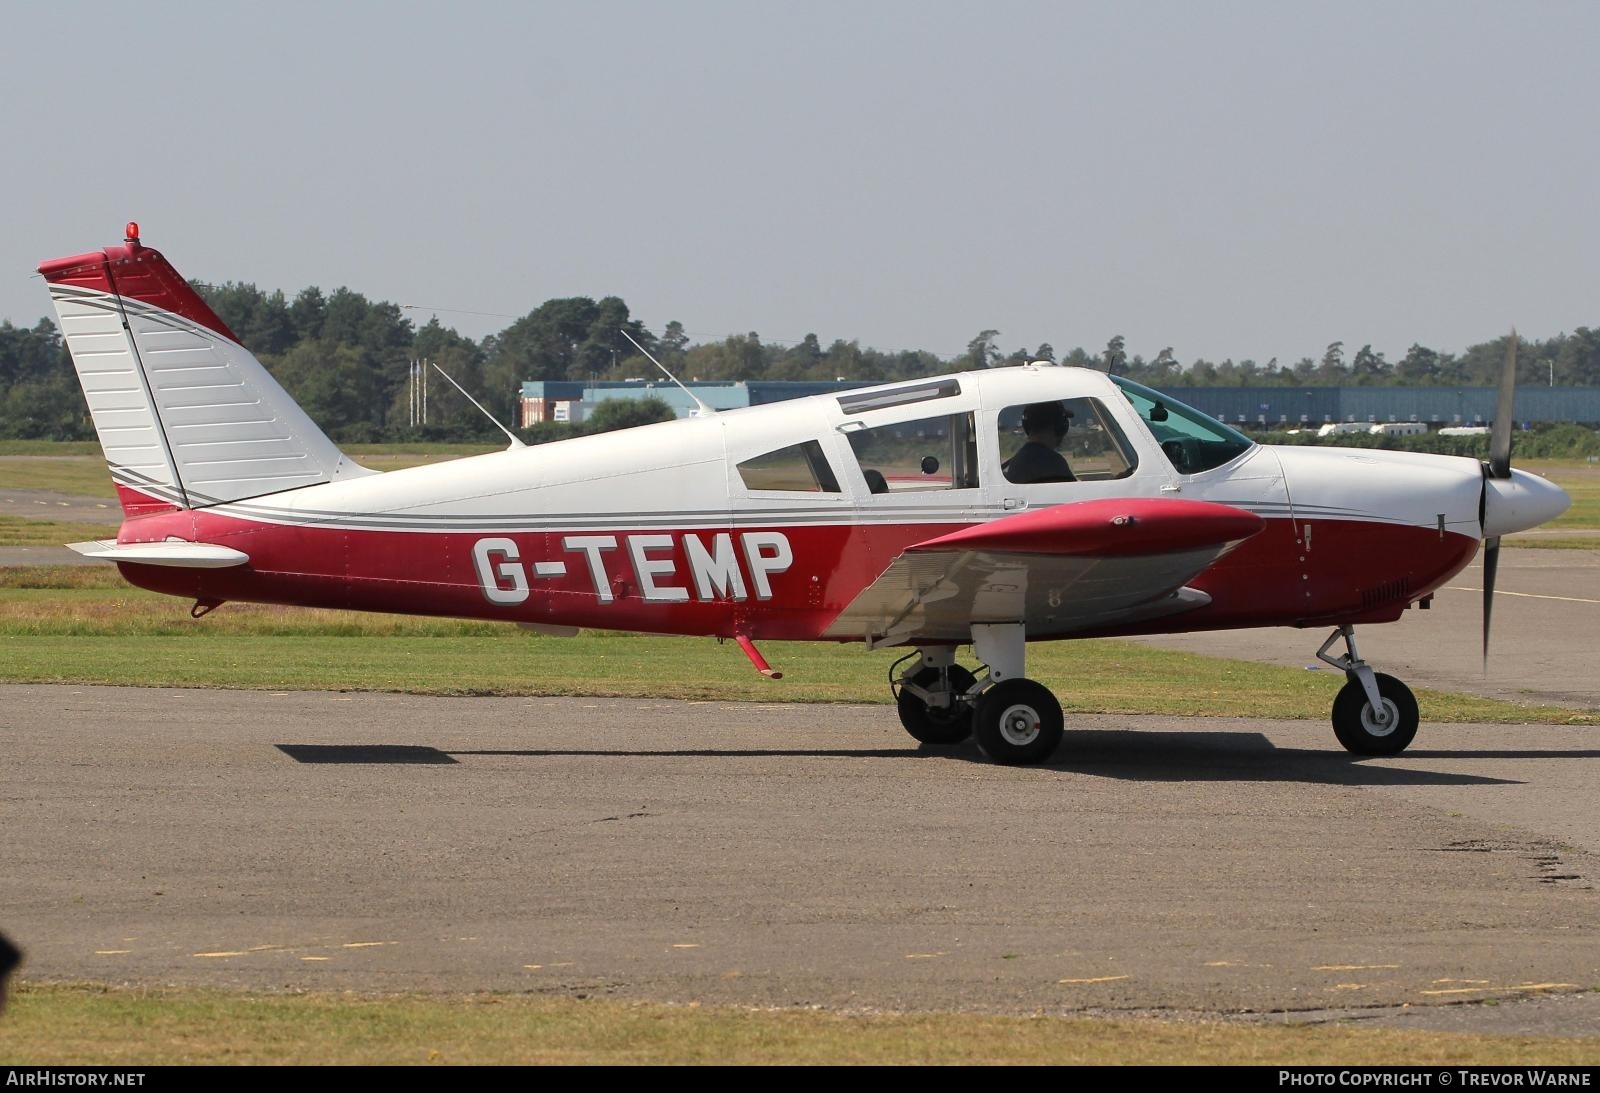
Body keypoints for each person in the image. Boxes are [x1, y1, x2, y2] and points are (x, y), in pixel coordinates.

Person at [1002, 402, 1076, 483]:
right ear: (1060, 426)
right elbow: (1074, 493)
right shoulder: (1053, 462)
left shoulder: (1016, 462)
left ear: (1027, 427)